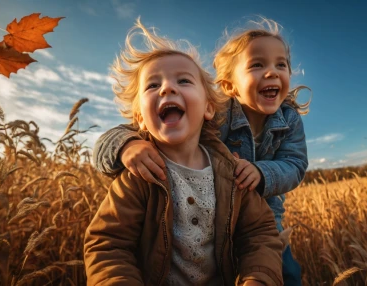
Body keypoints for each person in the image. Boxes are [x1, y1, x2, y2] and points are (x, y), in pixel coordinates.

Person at [92, 17, 308, 286]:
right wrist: (127, 144)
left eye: (281, 64)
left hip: (261, 210)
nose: (272, 72)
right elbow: (109, 245)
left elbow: (295, 163)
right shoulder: (218, 117)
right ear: (228, 87)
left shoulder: (288, 121)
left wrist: (260, 173)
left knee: (285, 272)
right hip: (219, 207)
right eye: (257, 64)